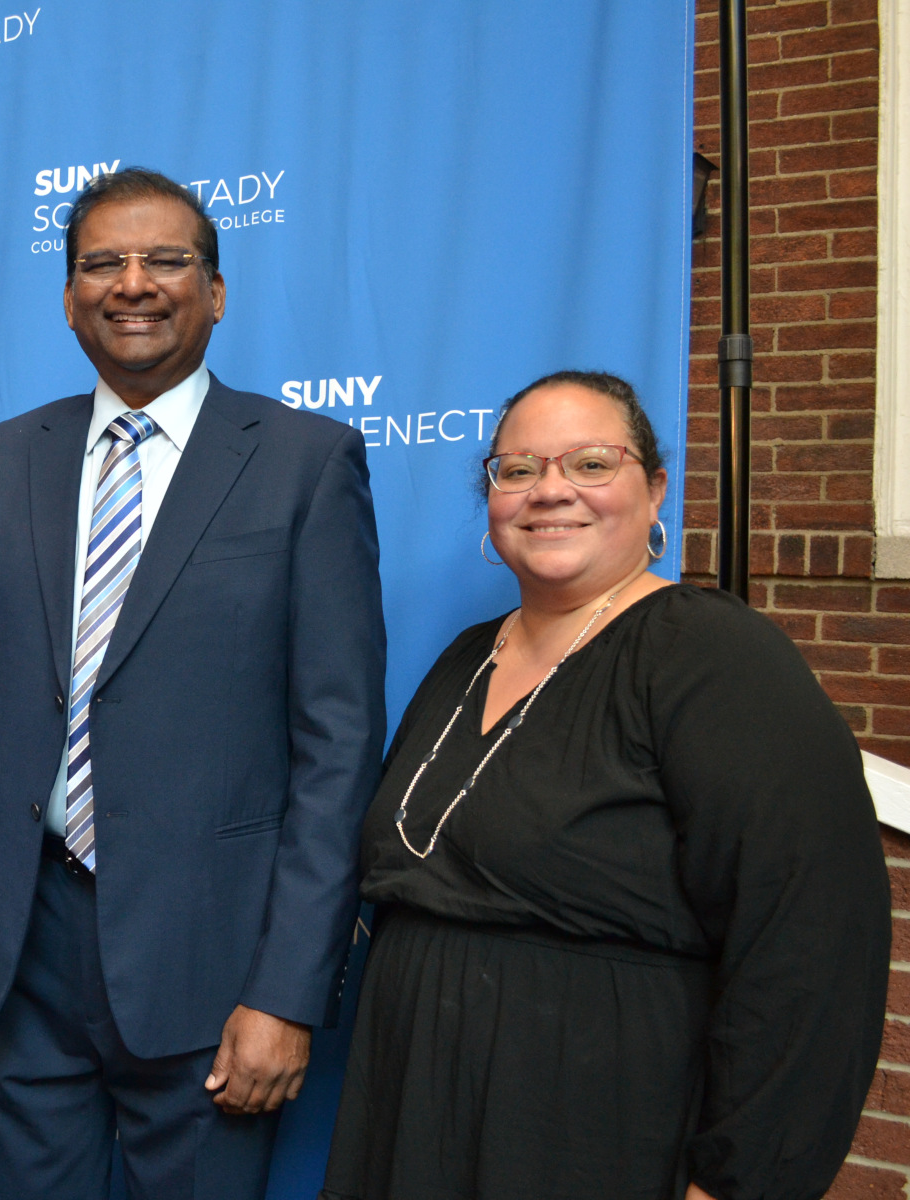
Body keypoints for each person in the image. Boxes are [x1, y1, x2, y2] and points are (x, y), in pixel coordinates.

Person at [0, 168, 388, 1198]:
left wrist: (289, 992)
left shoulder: (306, 462)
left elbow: (337, 749)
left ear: (216, 291)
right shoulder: (0, 461)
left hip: (214, 967)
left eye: (166, 260)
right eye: (102, 263)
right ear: (68, 295)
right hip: (19, 956)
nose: (134, 282)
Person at [321, 370, 890, 1200]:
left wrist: (737, 1183)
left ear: (655, 489)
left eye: (590, 464)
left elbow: (813, 939)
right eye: (517, 470)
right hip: (412, 1115)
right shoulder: (465, 658)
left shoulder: (710, 656)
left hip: (591, 1128)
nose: (550, 492)